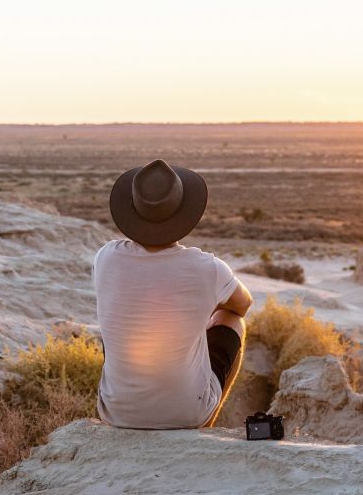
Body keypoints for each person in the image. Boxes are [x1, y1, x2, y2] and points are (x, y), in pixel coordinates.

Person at [92, 159, 252, 428]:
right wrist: (199, 310)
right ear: (185, 212)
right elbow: (242, 305)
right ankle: (206, 422)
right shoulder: (207, 268)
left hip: (117, 414)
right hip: (186, 415)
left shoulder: (106, 257)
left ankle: (132, 401)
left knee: (120, 318)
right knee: (233, 321)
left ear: (131, 211)